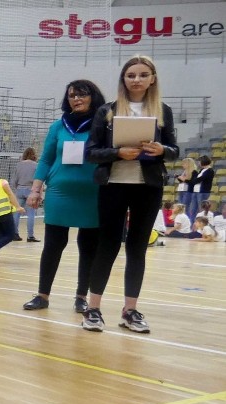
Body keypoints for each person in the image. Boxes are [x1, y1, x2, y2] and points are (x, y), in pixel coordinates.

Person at [82, 55, 179, 334]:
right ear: (123, 79)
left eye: (142, 74)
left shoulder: (163, 110)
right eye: (131, 75)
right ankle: (93, 308)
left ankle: (130, 311)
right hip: (113, 184)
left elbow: (175, 150)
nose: (136, 79)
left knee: (137, 248)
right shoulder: (107, 111)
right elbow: (91, 152)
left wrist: (162, 150)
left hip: (148, 186)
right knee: (108, 246)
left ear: (152, 78)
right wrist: (117, 153)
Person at [22, 79, 106, 313]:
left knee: (88, 247)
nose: (76, 99)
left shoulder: (103, 125)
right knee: (52, 245)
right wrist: (36, 189)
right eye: (72, 95)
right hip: (60, 193)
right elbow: (47, 159)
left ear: (93, 96)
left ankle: (81, 297)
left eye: (82, 94)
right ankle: (42, 295)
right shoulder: (58, 127)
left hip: (93, 193)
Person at [11, 147, 39, 242]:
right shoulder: (36, 165)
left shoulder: (18, 165)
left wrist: (17, 188)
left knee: (17, 212)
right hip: (30, 190)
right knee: (31, 214)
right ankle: (30, 236)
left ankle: (14, 234)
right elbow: (38, 180)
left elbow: (14, 180)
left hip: (19, 189)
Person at [188, 155, 213, 222]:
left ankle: (202, 225)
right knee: (193, 210)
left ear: (203, 161)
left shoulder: (210, 171)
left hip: (203, 192)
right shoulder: (201, 170)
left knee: (201, 210)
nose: (198, 163)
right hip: (196, 191)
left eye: (199, 161)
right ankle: (192, 225)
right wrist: (195, 180)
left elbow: (198, 180)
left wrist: (195, 179)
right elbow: (195, 180)